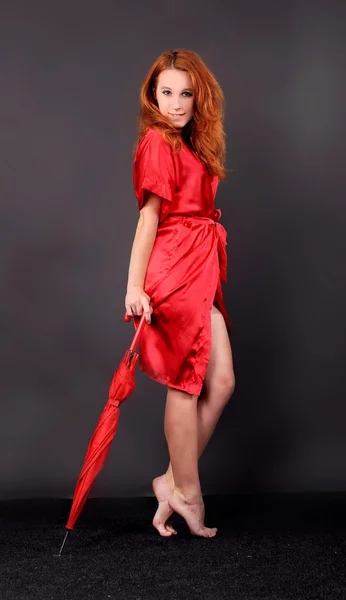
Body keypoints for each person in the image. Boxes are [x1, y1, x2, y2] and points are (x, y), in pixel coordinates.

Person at [125, 49, 235, 538]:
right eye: (165, 92)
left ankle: (171, 481)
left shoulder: (196, 143)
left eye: (185, 93)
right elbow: (148, 218)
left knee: (221, 381)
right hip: (172, 267)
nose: (174, 103)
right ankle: (187, 491)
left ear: (199, 97)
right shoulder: (157, 142)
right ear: (153, 95)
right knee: (187, 383)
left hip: (200, 262)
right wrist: (134, 285)